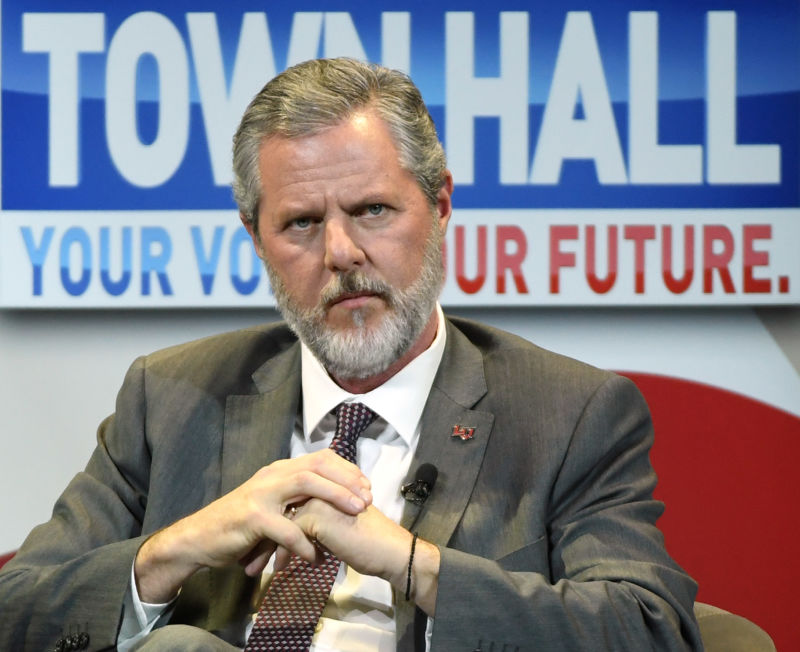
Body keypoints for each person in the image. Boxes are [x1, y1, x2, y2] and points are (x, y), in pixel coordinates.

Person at [0, 58, 702, 651]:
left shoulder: (567, 415)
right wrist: (172, 551)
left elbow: (650, 626)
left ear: (441, 204)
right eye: (301, 222)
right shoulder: (170, 398)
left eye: (372, 210)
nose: (341, 253)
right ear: (255, 237)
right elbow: (15, 609)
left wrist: (412, 564)